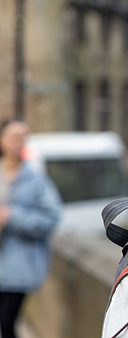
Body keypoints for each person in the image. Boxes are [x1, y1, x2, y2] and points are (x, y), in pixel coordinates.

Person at [0, 118, 61, 338]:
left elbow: (52, 218)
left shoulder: (36, 180)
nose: (19, 142)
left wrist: (11, 216)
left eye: (23, 137)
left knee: (6, 323)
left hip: (19, 267)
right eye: (14, 137)